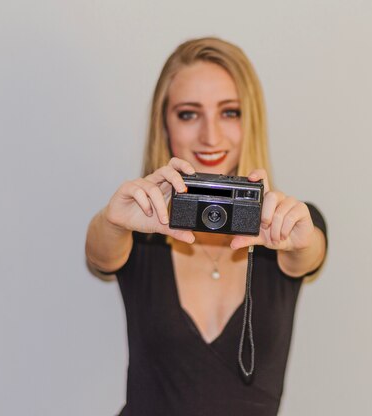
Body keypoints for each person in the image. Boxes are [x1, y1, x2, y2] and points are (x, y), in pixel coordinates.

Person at [85, 37, 328, 416]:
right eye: (188, 114)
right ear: (164, 123)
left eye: (229, 112)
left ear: (251, 120)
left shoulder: (288, 226)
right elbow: (99, 254)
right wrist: (112, 220)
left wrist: (298, 238)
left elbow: (308, 254)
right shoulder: (141, 225)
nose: (210, 136)